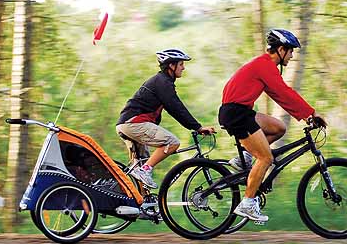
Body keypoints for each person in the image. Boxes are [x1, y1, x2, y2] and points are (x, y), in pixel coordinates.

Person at [218, 28, 327, 223]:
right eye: (291, 51)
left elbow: (280, 95)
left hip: (239, 111)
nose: (292, 56)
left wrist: (306, 115)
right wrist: (311, 114)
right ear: (281, 49)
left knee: (278, 128)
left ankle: (245, 156)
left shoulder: (265, 65)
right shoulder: (264, 65)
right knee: (266, 158)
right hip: (237, 114)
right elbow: (284, 93)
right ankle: (248, 203)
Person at [116, 48, 215, 189]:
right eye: (181, 64)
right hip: (134, 123)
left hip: (128, 124)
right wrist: (197, 127)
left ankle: (143, 203)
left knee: (141, 163)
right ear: (171, 65)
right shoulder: (162, 82)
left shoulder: (161, 82)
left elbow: (172, 109)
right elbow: (176, 108)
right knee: (172, 142)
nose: (183, 68)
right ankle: (144, 171)